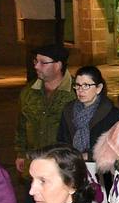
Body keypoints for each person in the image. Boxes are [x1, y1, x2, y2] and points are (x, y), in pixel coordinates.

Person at [15, 42, 75, 185]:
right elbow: (21, 125)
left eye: (43, 62)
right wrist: (21, 153)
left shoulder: (76, 92)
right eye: (35, 61)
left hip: (64, 169)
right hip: (35, 168)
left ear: (58, 65)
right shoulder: (28, 92)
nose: (36, 66)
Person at [58, 65, 119, 160]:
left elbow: (116, 146)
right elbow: (61, 140)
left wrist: (89, 156)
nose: (80, 90)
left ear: (98, 88)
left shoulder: (112, 114)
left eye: (86, 85)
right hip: (72, 164)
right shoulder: (68, 110)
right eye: (77, 85)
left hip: (100, 168)